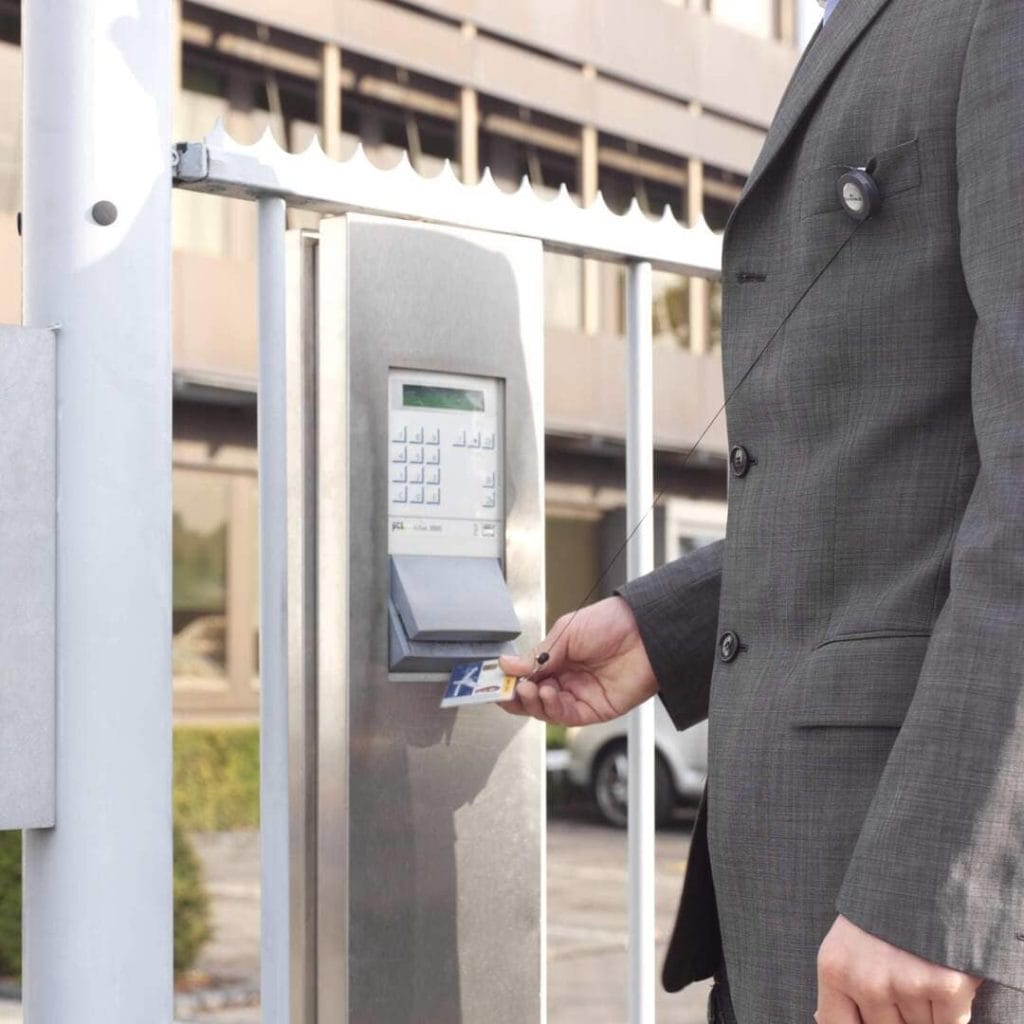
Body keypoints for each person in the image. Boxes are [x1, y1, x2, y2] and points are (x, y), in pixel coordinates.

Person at [502, 0, 1024, 1020]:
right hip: (793, 897)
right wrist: (665, 629)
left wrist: (938, 885)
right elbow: (898, 472)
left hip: (904, 926)